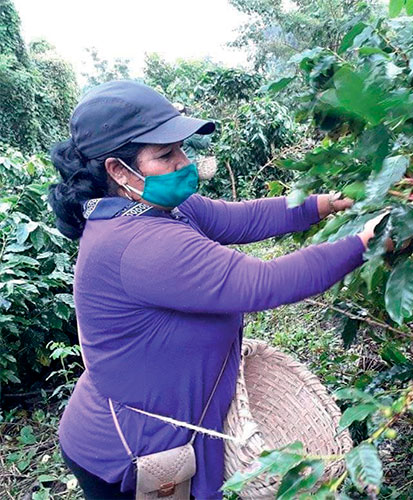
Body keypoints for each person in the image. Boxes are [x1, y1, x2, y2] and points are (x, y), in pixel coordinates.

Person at [48, 80, 383, 499]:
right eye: (165, 155)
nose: (183, 162)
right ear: (118, 171)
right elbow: (263, 283)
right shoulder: (139, 243)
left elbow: (242, 219)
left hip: (167, 433)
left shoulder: (163, 209)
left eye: (182, 149)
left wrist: (323, 205)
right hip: (126, 456)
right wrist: (362, 244)